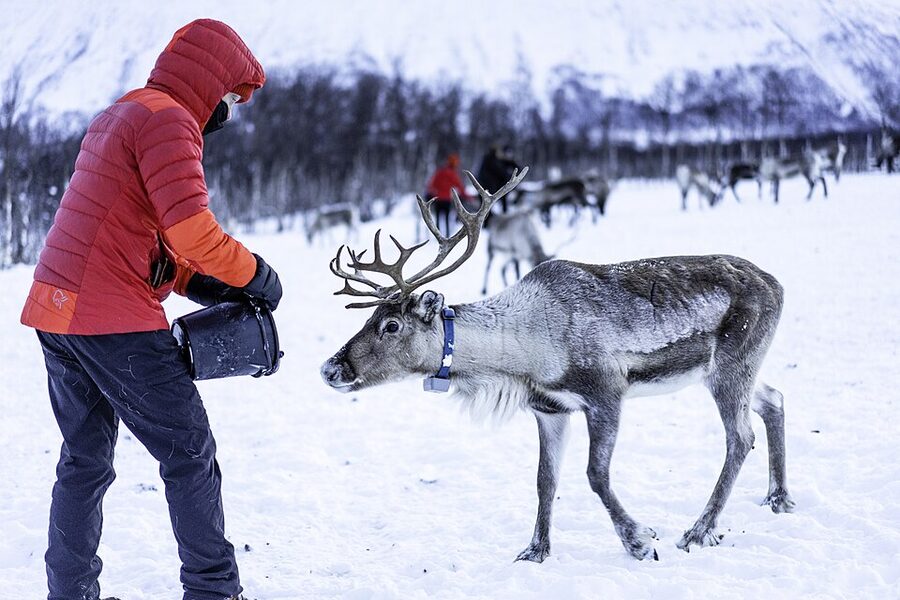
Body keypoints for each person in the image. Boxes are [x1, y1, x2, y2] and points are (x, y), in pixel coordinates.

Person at [19, 19, 279, 600]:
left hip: (58, 310)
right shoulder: (170, 123)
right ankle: (214, 591)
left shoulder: (123, 113)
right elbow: (191, 229)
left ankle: (70, 591)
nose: (229, 114)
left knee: (84, 460)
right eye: (230, 98)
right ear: (209, 82)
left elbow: (137, 233)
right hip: (112, 319)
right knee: (190, 453)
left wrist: (207, 287)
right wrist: (255, 274)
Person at [425, 153, 470, 236]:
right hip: (447, 200)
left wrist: (430, 193)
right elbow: (460, 187)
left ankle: (437, 235)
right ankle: (447, 235)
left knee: (438, 217)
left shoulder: (440, 172)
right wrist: (468, 197)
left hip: (438, 199)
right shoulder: (453, 174)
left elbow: (432, 185)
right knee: (446, 218)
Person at [476, 143, 521, 214]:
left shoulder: (489, 159)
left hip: (485, 187)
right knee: (485, 209)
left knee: (485, 208)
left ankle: (490, 220)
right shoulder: (492, 160)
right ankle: (486, 223)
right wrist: (510, 178)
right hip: (487, 188)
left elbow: (506, 165)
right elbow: (501, 172)